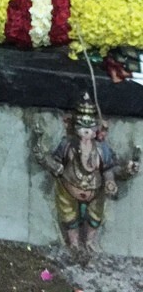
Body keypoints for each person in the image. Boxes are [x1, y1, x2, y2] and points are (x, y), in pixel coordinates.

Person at [33, 92, 139, 252]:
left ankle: (90, 241)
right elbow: (55, 162)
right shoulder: (67, 145)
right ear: (73, 126)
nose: (86, 131)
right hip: (69, 188)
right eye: (82, 126)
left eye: (90, 127)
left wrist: (125, 170)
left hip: (95, 191)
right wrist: (45, 158)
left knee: (96, 216)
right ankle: (73, 242)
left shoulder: (102, 149)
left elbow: (110, 169)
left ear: (97, 129)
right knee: (68, 216)